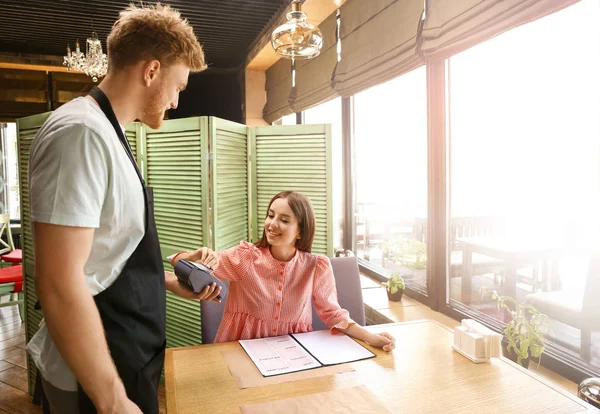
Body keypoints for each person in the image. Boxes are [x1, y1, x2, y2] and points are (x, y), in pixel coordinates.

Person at [27, 4, 220, 413]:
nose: (175, 102)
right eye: (178, 87)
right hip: (92, 377)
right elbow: (60, 283)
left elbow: (104, 257)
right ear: (151, 71)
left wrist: (166, 281)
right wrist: (112, 399)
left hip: (125, 355)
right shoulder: (80, 134)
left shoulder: (108, 133)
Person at [171, 191, 396, 351]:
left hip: (293, 352)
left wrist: (371, 337)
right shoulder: (246, 256)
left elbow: (333, 314)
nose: (272, 224)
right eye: (271, 215)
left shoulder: (316, 266)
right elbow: (182, 264)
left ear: (300, 231)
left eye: (284, 220)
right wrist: (189, 257)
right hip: (240, 349)